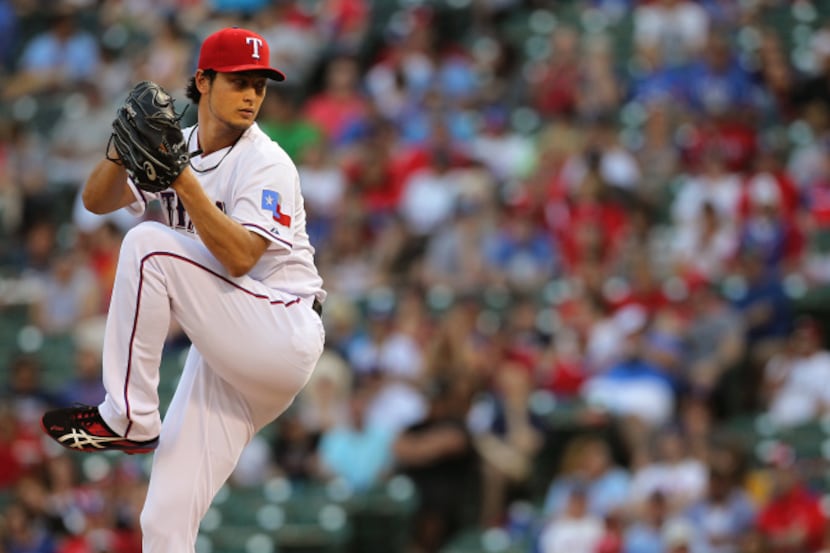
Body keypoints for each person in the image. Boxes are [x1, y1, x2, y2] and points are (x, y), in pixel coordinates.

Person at [39, 27, 326, 553]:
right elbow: (95, 201)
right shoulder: (181, 145)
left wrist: (180, 179)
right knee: (164, 519)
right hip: (227, 350)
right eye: (239, 81)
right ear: (203, 80)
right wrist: (121, 147)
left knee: (149, 243)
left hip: (280, 330)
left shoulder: (266, 162)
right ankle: (134, 419)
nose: (251, 96)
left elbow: (240, 259)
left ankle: (129, 416)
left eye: (259, 86)